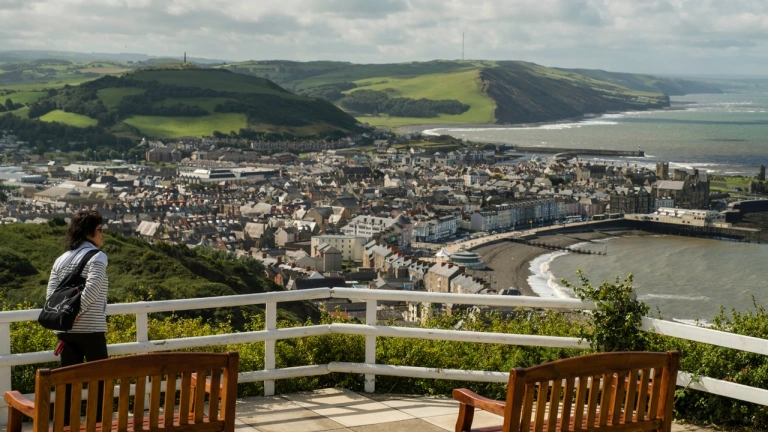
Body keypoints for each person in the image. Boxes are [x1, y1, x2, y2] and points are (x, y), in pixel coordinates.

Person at [46, 210, 109, 423]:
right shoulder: (98, 257)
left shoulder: (60, 260)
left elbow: (51, 297)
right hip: (91, 331)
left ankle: (64, 426)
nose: (102, 235)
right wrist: (75, 314)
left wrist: (66, 317)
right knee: (99, 383)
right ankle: (97, 425)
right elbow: (92, 291)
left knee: (67, 384)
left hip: (65, 333)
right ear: (88, 232)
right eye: (99, 230)